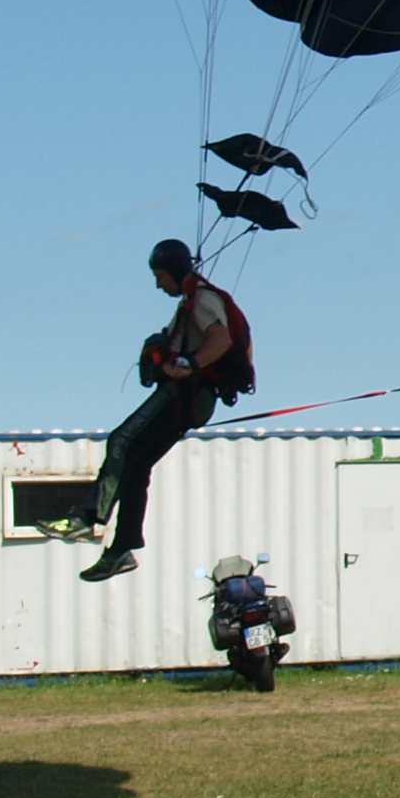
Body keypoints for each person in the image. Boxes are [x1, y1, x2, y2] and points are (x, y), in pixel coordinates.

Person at [81, 238, 251, 584]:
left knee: (122, 440)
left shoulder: (202, 299)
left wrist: (190, 362)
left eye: (160, 276)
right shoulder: (192, 301)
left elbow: (221, 340)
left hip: (186, 393)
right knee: (137, 462)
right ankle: (121, 550)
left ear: (173, 272)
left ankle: (87, 517)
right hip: (192, 398)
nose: (159, 284)